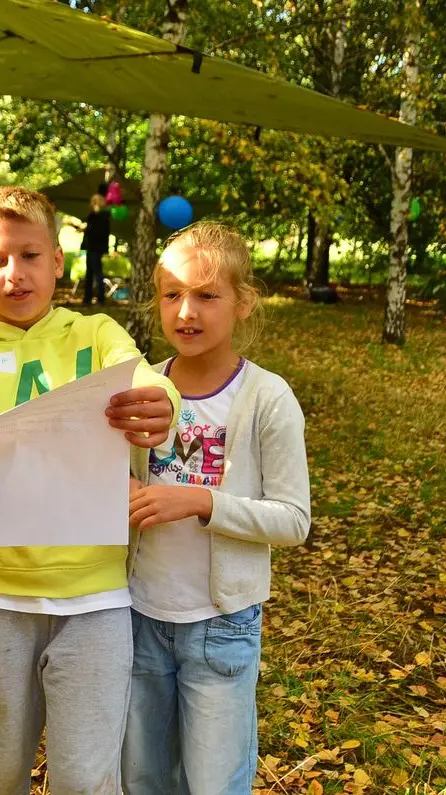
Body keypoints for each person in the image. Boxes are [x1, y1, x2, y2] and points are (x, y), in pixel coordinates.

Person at [0, 186, 181, 795]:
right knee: (0, 773)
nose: (16, 274)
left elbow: (147, 379)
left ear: (58, 259)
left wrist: (159, 404)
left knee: (85, 778)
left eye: (30, 255)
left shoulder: (95, 335)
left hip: (96, 602)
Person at [121, 222, 311, 795]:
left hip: (222, 626)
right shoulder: (140, 385)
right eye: (172, 294)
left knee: (213, 783)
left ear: (244, 302)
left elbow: (293, 519)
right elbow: (110, 481)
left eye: (207, 295)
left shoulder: (265, 398)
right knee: (143, 778)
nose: (186, 311)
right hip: (136, 618)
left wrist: (202, 501)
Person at [79, 192, 111, 306]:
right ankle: (87, 298)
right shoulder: (93, 215)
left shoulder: (101, 216)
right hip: (91, 247)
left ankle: (100, 298)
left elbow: (99, 233)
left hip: (95, 248)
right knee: (90, 273)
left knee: (97, 274)